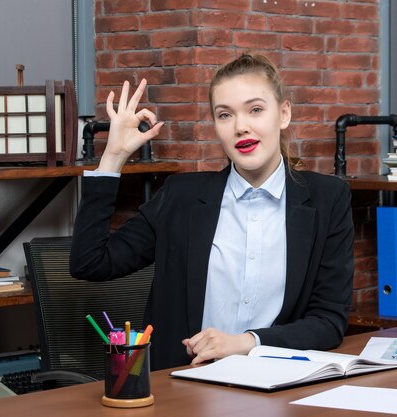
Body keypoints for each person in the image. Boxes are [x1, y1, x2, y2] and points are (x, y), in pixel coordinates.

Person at [69, 53, 354, 371]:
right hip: (182, 385)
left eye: (256, 110)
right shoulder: (181, 197)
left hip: (274, 382)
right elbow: (90, 263)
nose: (241, 127)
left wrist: (247, 342)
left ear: (283, 113)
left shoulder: (328, 199)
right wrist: (113, 156)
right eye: (225, 115)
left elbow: (329, 321)